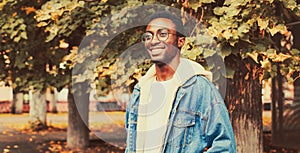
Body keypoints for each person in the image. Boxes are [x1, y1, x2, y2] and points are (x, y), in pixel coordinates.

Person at [125, 11, 236, 153]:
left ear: (180, 41)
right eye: (148, 36)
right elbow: (131, 145)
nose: (153, 41)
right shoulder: (140, 92)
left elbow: (225, 146)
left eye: (162, 34)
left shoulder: (199, 88)